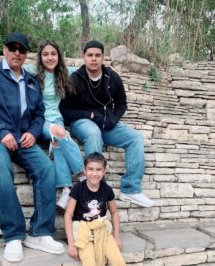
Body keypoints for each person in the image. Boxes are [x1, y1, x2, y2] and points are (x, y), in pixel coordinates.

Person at [0, 32, 64, 263]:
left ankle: (40, 232)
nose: (16, 53)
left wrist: (33, 132)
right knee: (2, 167)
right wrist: (2, 134)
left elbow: (39, 113)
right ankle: (13, 235)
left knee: (46, 168)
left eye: (21, 49)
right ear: (4, 50)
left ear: (26, 54)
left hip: (21, 139)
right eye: (12, 48)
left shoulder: (31, 81)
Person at [0, 40, 85, 211]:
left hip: (56, 118)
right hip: (40, 120)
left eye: (53, 54)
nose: (50, 58)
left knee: (57, 142)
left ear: (59, 56)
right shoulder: (31, 70)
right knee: (59, 134)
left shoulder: (66, 72)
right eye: (45, 54)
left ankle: (66, 189)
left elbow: (87, 68)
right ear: (40, 57)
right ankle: (82, 175)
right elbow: (9, 62)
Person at [59, 40, 154, 208]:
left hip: (106, 124)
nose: (93, 59)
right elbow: (65, 110)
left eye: (97, 55)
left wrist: (113, 119)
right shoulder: (75, 79)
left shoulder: (112, 77)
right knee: (93, 132)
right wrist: (89, 114)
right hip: (82, 123)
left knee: (136, 138)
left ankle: (131, 189)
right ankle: (94, 190)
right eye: (90, 55)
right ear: (84, 57)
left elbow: (122, 104)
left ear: (103, 57)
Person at [64, 152, 131, 266]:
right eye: (90, 169)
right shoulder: (78, 188)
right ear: (84, 170)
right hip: (84, 232)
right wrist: (71, 244)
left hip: (102, 231)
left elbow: (114, 212)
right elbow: (68, 214)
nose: (94, 173)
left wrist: (116, 237)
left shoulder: (106, 189)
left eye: (98, 169)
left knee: (119, 262)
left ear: (104, 171)